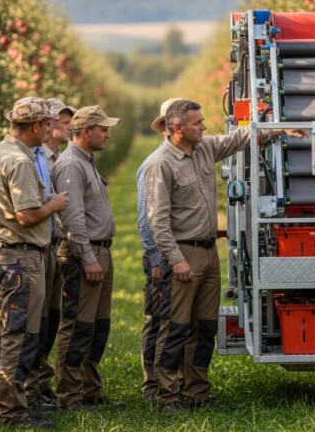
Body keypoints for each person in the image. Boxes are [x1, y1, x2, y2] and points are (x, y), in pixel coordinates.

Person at [144, 98, 306, 416]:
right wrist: (176, 260)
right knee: (175, 327)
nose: (204, 126)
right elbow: (158, 222)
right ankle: (168, 396)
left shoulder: (204, 148)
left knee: (204, 327)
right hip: (183, 253)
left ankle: (197, 390)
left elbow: (238, 139)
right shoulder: (161, 164)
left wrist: (278, 129)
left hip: (207, 253)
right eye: (197, 122)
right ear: (178, 128)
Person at [0, 97, 69, 428]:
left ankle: (0, 407)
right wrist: (54, 204)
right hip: (20, 257)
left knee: (6, 334)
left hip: (4, 251)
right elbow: (27, 214)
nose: (51, 129)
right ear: (34, 126)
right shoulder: (19, 161)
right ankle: (13, 414)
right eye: (47, 124)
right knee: (20, 336)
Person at [52, 105, 123, 411]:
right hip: (85, 254)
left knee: (98, 326)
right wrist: (88, 257)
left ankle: (90, 390)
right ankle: (69, 395)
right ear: (84, 132)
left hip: (100, 251)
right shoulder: (71, 165)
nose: (108, 134)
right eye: (102, 128)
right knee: (77, 325)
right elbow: (73, 218)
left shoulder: (87, 162)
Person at [31, 98, 77, 405]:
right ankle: (32, 385)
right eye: (62, 120)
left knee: (51, 318)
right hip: (36, 245)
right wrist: (0, 222)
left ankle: (40, 382)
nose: (66, 126)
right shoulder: (32, 157)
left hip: (53, 244)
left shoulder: (56, 157)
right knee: (37, 320)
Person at [136, 98, 174, 401]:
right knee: (159, 318)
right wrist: (156, 258)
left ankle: (166, 380)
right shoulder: (154, 164)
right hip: (161, 256)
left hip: (175, 253)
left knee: (169, 317)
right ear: (165, 127)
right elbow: (147, 219)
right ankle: (152, 384)